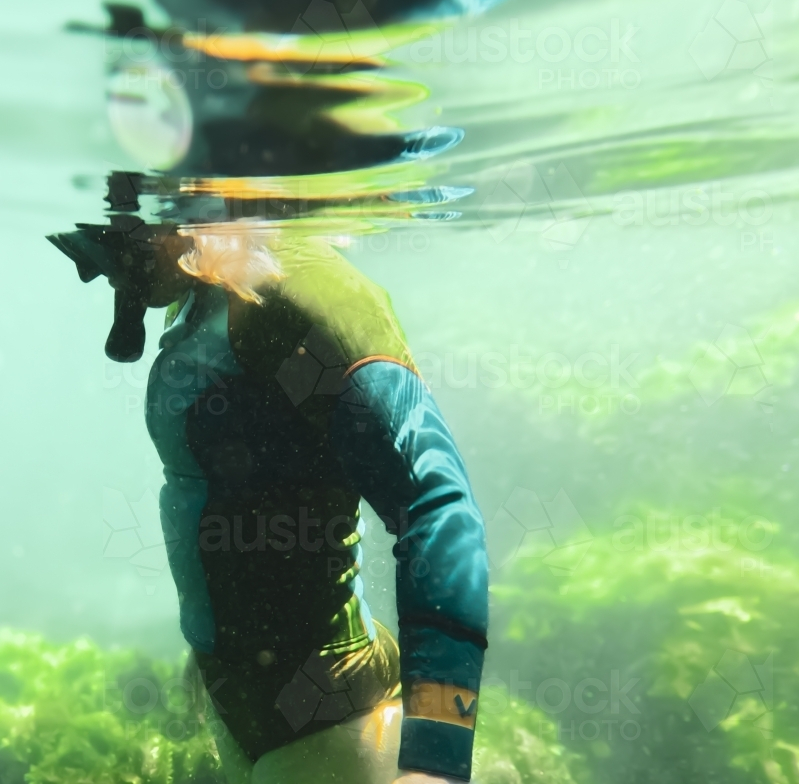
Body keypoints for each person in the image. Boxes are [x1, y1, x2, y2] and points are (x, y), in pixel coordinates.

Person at [49, 217, 488, 784]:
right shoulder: (206, 283)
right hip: (254, 714)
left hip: (335, 727)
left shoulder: (304, 299)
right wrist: (214, 646)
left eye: (104, 245)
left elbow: (438, 509)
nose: (90, 269)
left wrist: (438, 755)